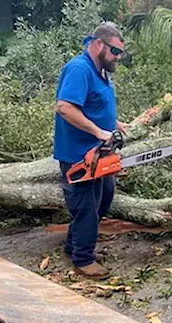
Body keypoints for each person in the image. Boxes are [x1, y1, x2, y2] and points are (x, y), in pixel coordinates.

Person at [53, 22, 130, 280]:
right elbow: (65, 107)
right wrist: (99, 132)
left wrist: (113, 124)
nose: (118, 57)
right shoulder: (79, 69)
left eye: (120, 53)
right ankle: (83, 260)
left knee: (105, 196)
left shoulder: (100, 72)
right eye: (115, 51)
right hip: (79, 154)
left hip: (98, 153)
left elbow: (92, 105)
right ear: (98, 44)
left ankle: (73, 246)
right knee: (86, 207)